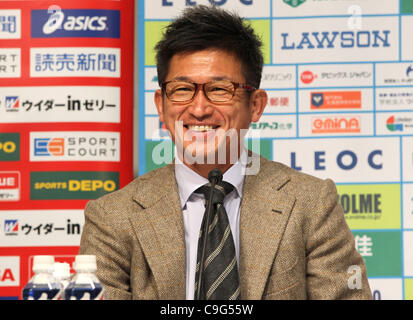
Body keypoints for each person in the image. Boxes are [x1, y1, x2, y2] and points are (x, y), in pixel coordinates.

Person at [79, 5, 372, 300]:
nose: (199, 109)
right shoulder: (112, 218)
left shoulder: (311, 204)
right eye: (182, 89)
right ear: (160, 105)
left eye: (220, 89)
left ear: (255, 105)